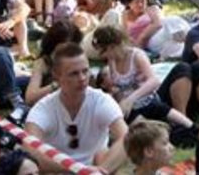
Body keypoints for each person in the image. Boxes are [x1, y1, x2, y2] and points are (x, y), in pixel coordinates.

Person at [25, 42, 128, 170]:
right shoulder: (43, 109)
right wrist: (76, 170)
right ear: (57, 76)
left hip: (95, 167)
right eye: (74, 74)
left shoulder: (101, 101)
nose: (82, 78)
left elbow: (125, 137)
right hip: (58, 170)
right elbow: (30, 150)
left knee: (104, 153)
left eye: (85, 71)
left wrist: (102, 169)